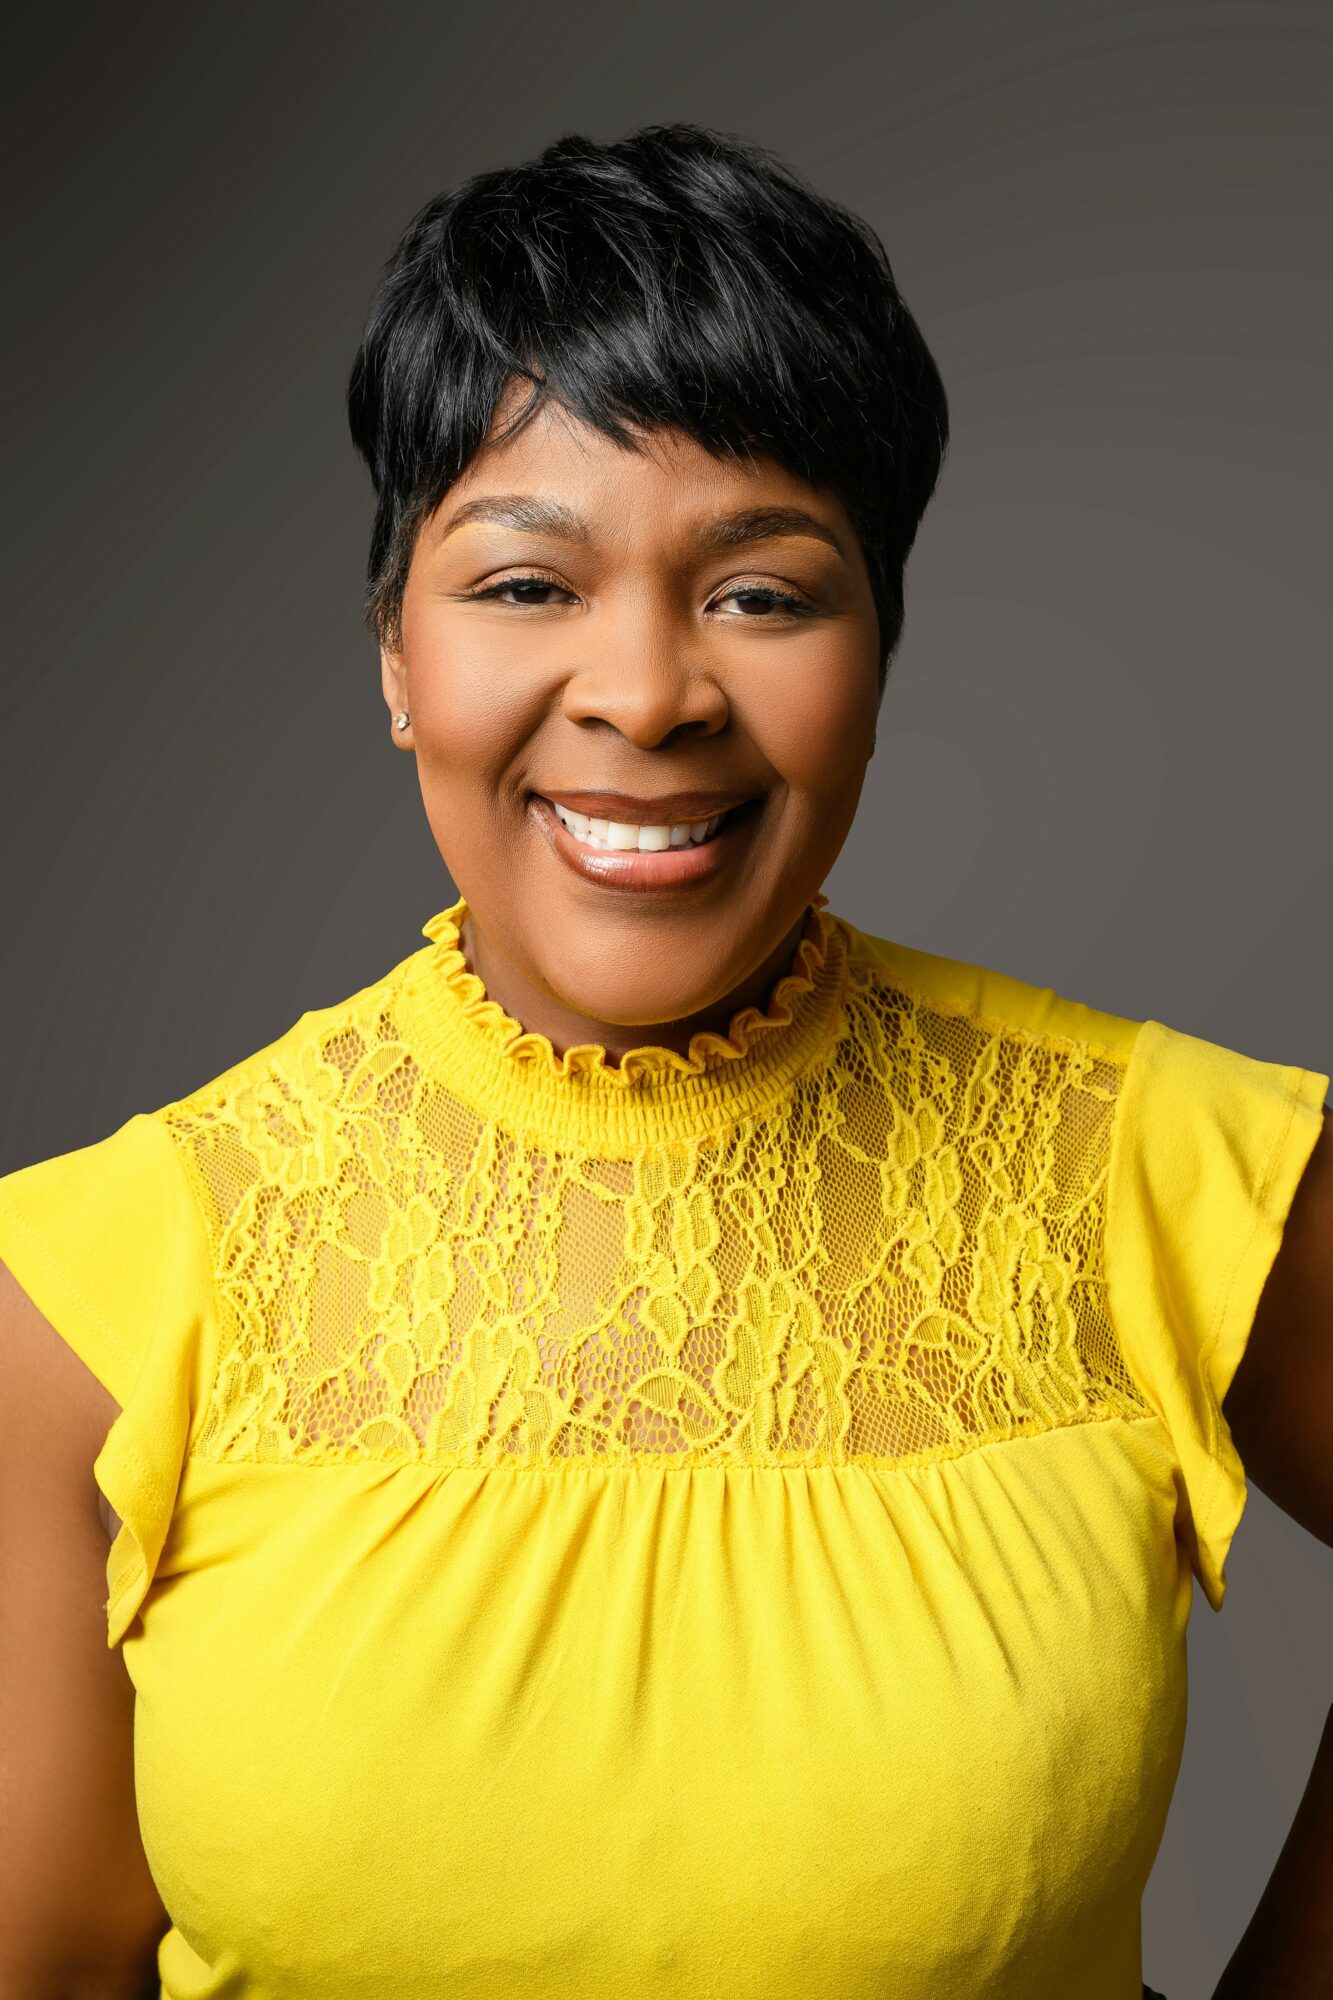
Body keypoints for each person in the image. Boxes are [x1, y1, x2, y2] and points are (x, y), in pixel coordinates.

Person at [1, 119, 1329, 2000]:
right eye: (526, 585)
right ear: (395, 653)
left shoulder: (1161, 1161)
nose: (645, 693)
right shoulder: (92, 1288)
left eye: (763, 591)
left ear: (878, 645)